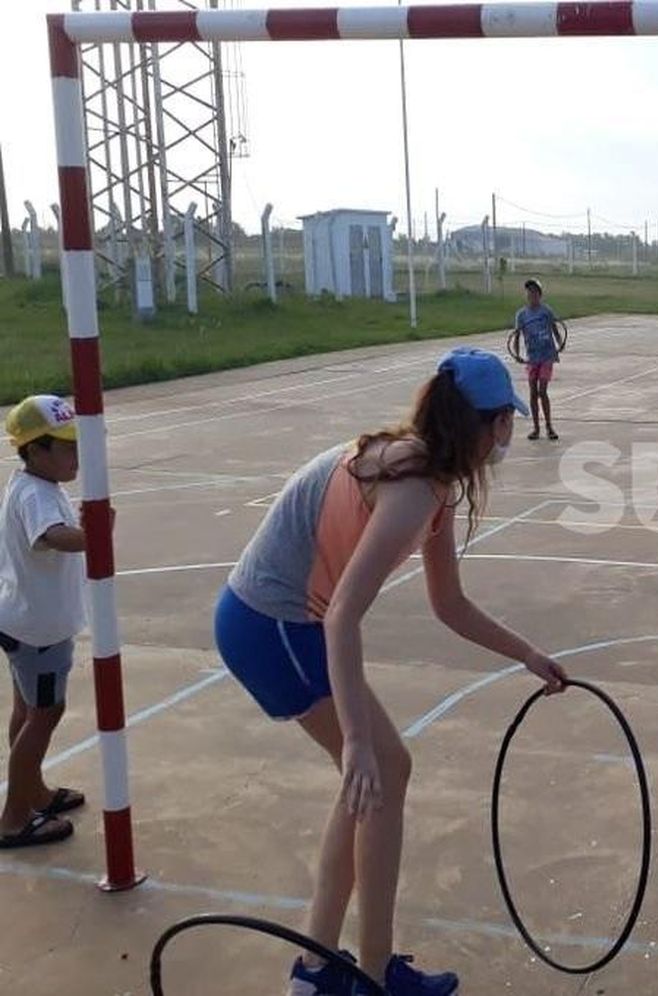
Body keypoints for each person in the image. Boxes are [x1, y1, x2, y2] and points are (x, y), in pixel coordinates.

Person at [212, 348, 568, 996]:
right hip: (272, 624)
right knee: (381, 770)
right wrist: (355, 740)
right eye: (503, 422)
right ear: (482, 424)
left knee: (374, 782)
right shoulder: (410, 488)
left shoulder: (431, 479)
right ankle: (369, 978)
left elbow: (448, 604)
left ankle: (320, 971)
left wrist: (526, 654)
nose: (508, 435)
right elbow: (344, 616)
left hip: (283, 623)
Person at [0, 396, 90, 850]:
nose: (77, 457)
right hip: (40, 629)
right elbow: (52, 538)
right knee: (44, 714)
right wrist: (93, 536)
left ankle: (31, 790)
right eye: (68, 448)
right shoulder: (37, 494)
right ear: (35, 451)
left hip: (22, 620)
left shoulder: (33, 484)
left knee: (27, 711)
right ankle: (14, 817)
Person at [514, 278, 563, 441]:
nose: (531, 295)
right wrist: (517, 354)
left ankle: (549, 426)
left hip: (547, 355)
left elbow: (555, 328)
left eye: (535, 292)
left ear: (540, 295)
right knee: (533, 392)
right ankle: (536, 428)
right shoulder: (521, 315)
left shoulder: (546, 311)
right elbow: (517, 336)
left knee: (543, 390)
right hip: (532, 358)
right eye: (529, 292)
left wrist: (560, 343)